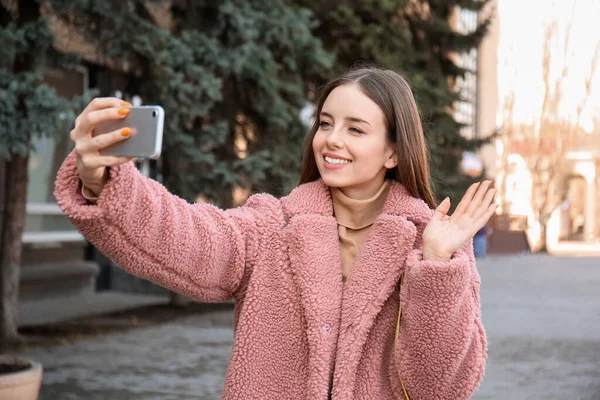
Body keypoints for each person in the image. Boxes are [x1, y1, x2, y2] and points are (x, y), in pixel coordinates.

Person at [54, 66, 497, 399]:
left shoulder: (435, 244)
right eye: (325, 123)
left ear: (393, 153)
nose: (331, 140)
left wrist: (436, 268)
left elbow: (441, 387)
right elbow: (189, 237)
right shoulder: (273, 226)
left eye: (355, 129)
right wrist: (104, 182)